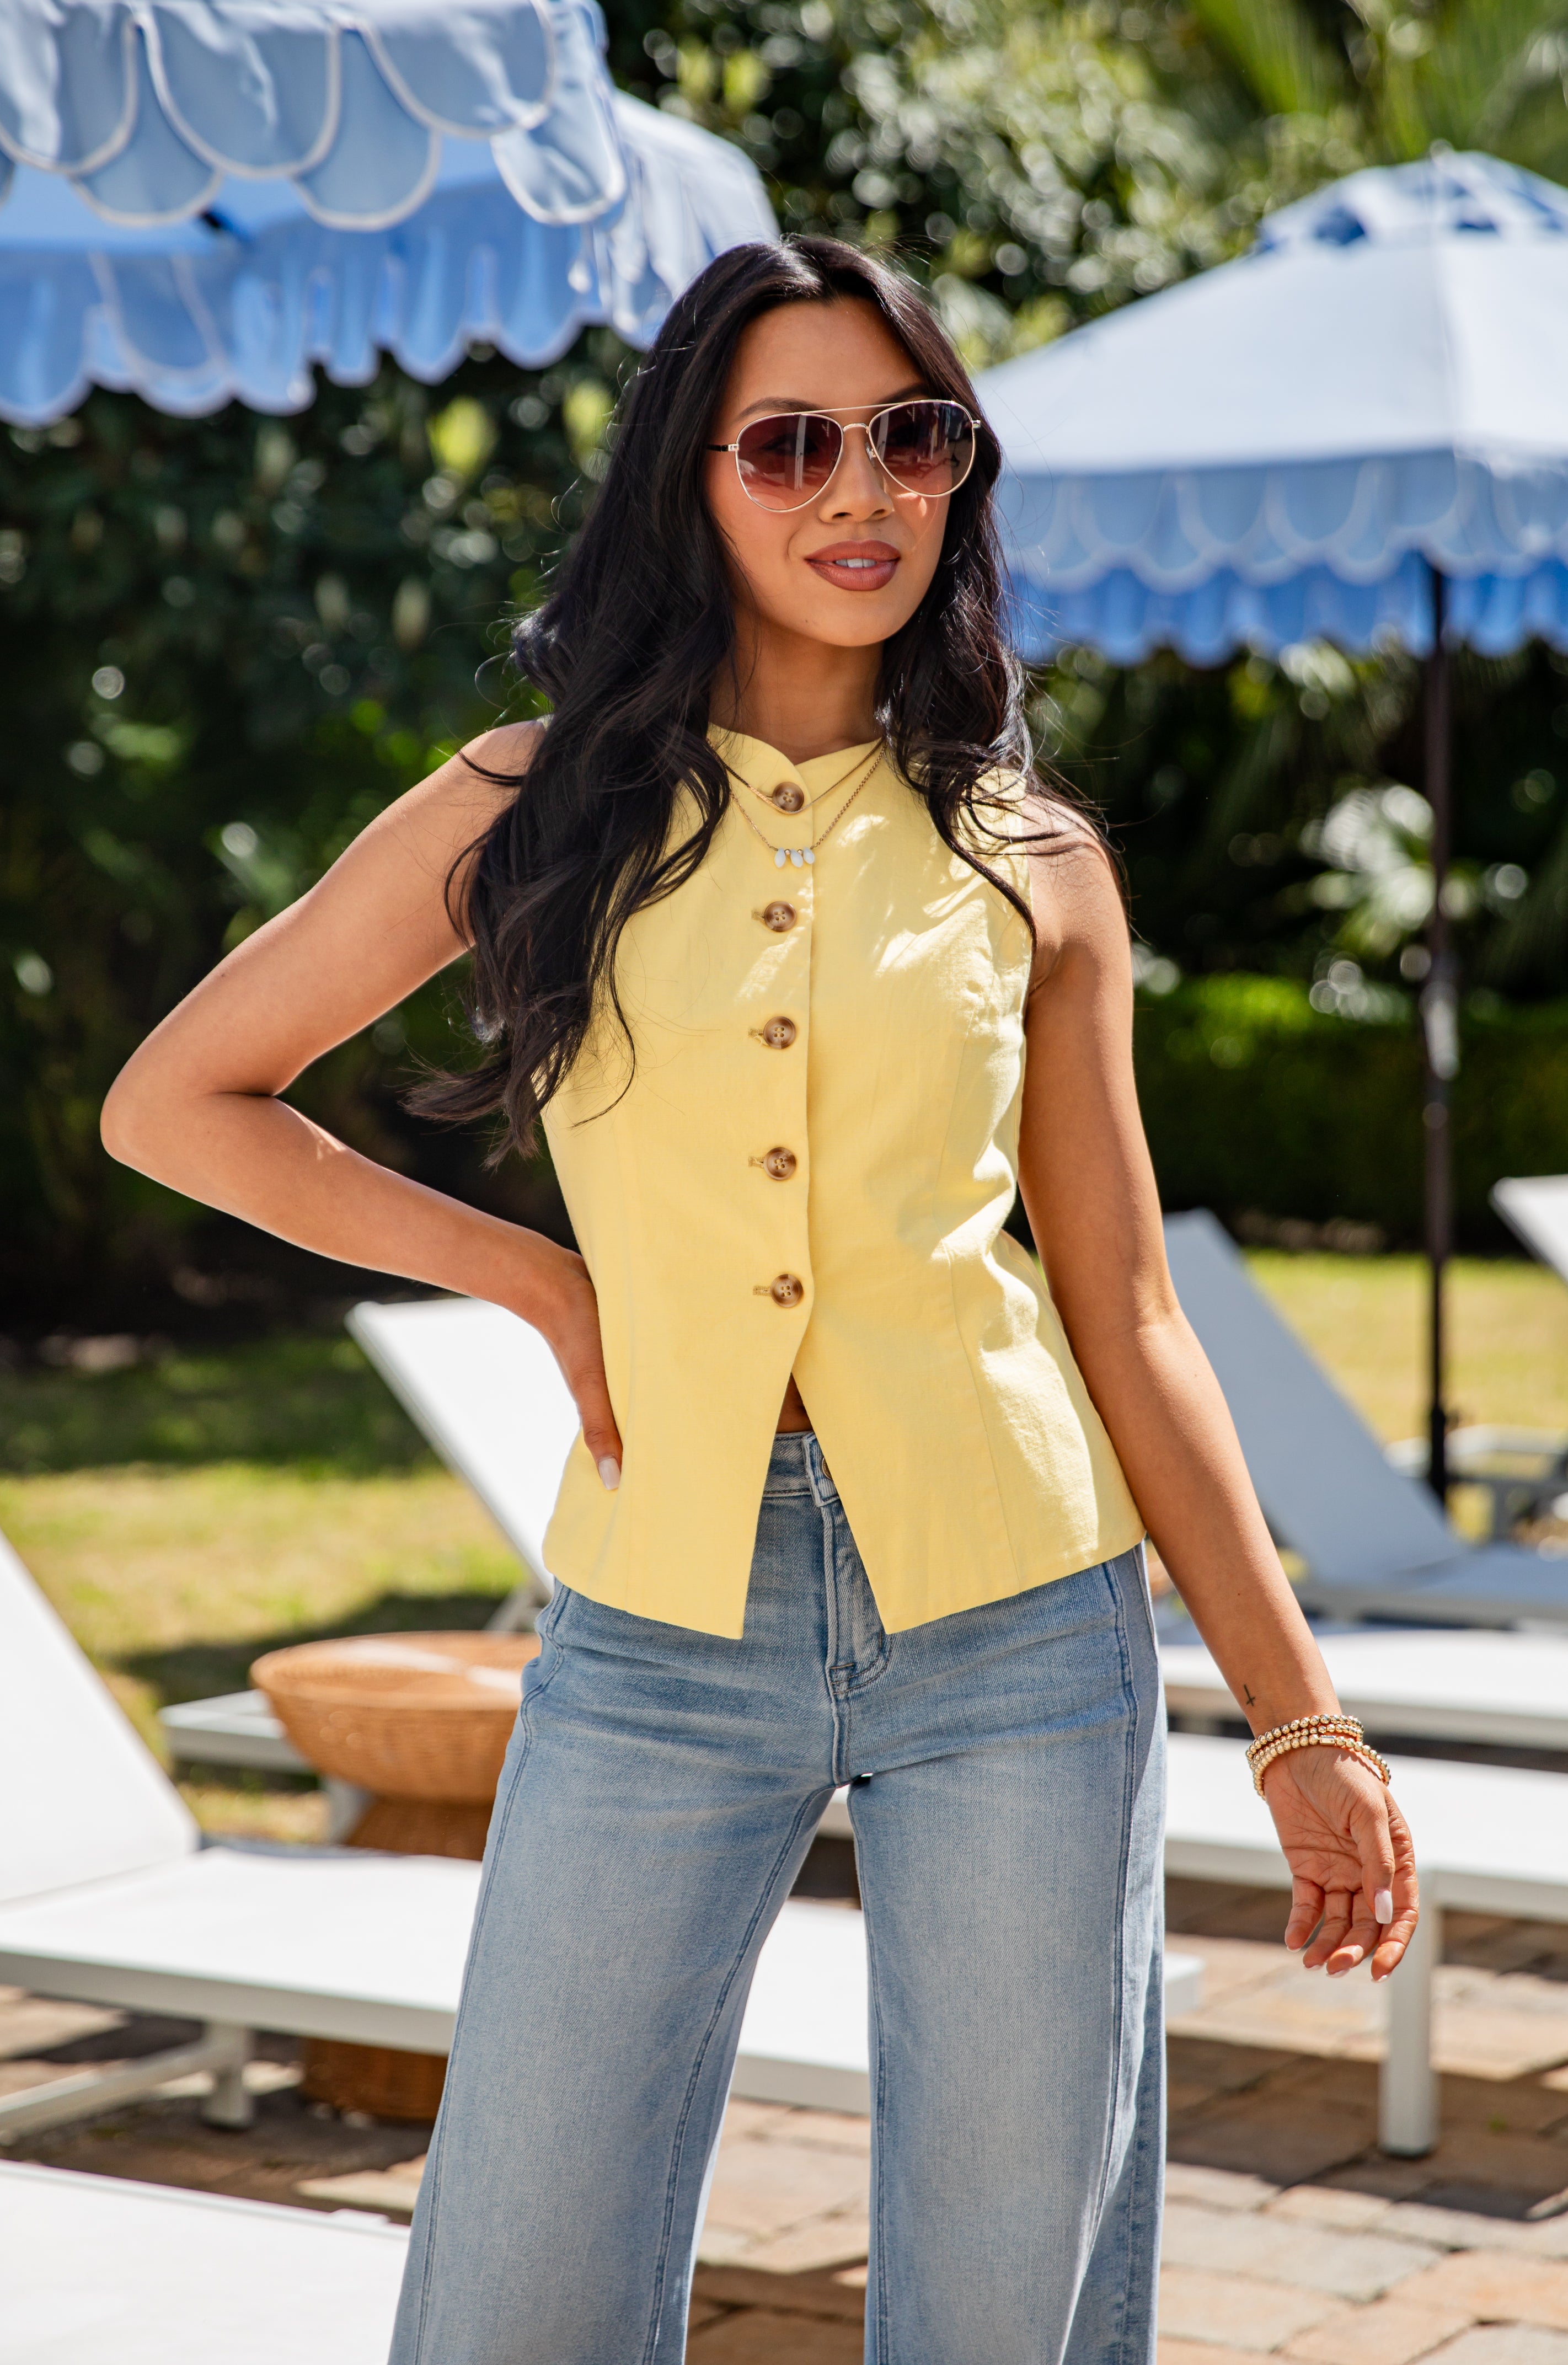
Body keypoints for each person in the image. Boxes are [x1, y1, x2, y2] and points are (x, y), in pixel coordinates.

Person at [103, 236, 1418, 2365]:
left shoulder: (1031, 853)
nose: (860, 492)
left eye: (912, 437)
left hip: (1020, 1619)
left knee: (1014, 2297)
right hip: (657, 1624)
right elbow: (179, 1102)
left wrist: (1304, 1719)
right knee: (515, 2282)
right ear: (692, 489)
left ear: (961, 474)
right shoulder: (534, 806)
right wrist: (532, 1278)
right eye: (791, 444)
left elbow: (1125, 1312)